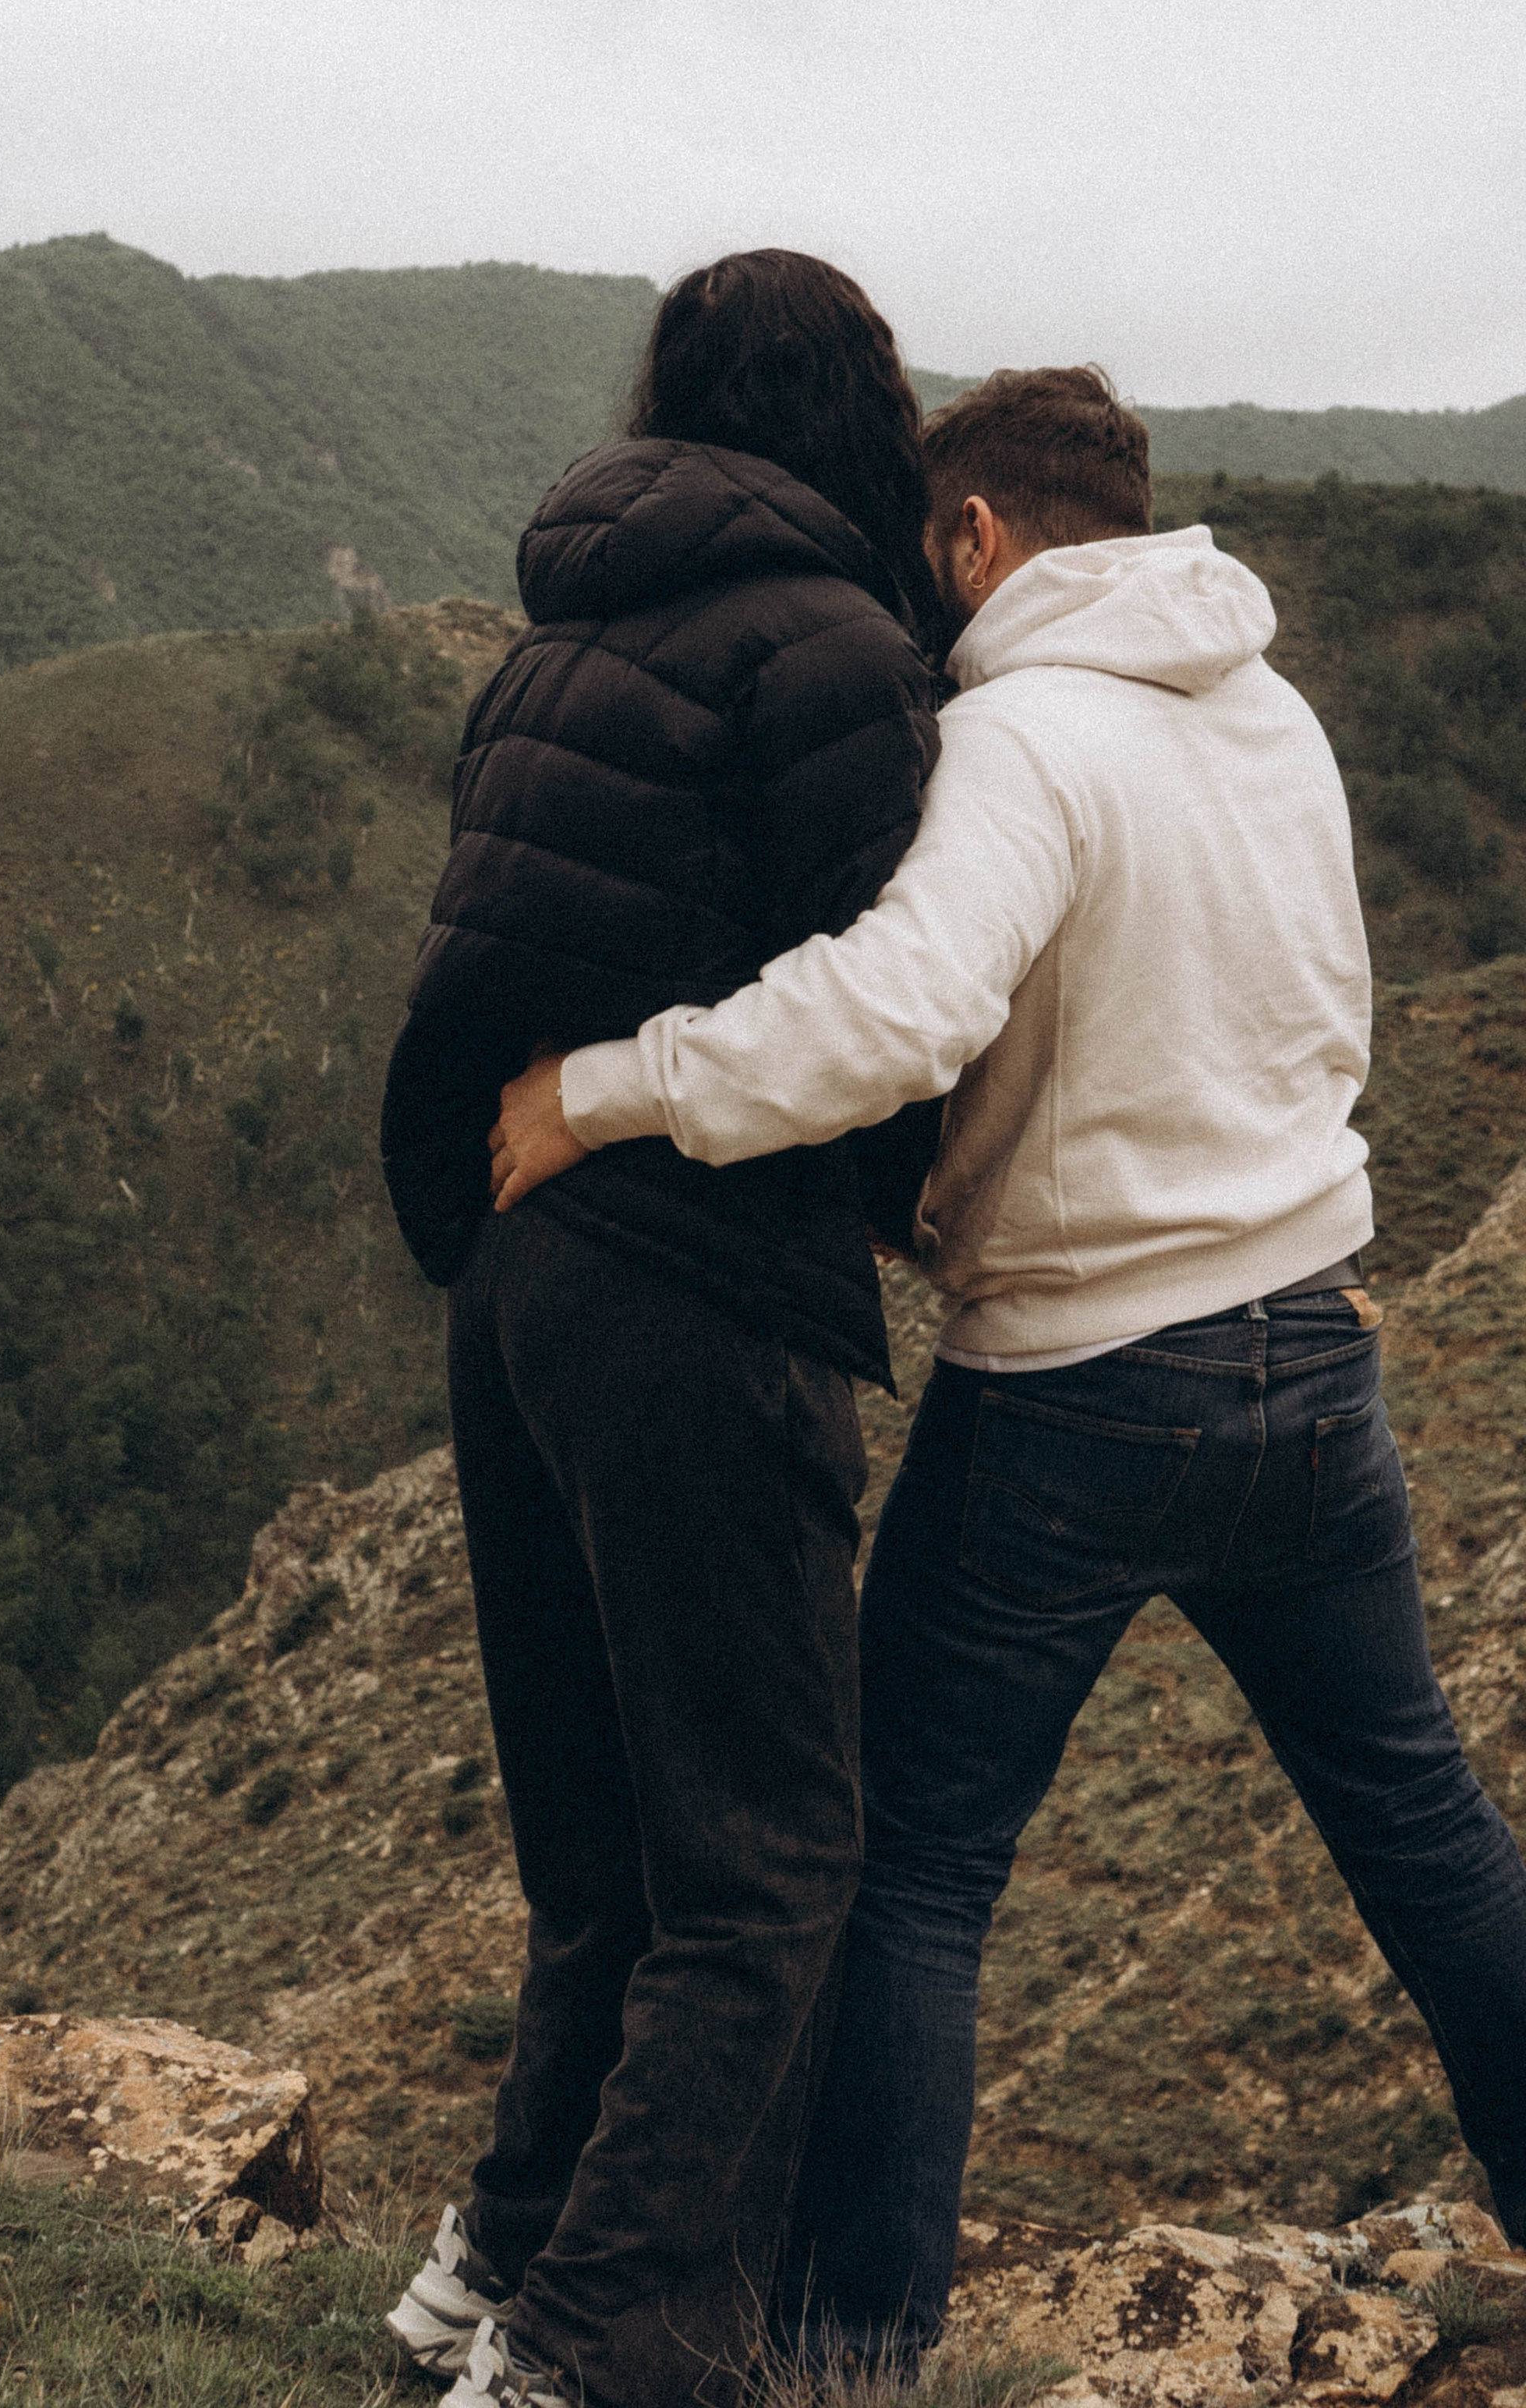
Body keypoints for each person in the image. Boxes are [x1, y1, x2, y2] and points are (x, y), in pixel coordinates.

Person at [488, 365, 1526, 2371]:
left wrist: (611, 1090)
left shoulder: (1019, 735)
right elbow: (1300, 1016)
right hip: (1312, 1357)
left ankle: (853, 2349)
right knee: (1417, 1822)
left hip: (1075, 1390)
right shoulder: (1273, 713)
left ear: (970, 538)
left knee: (908, 1868)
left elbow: (891, 1010)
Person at [378, 250, 948, 2408]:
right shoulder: (833, 650)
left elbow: (480, 958)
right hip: (702, 1281)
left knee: (601, 1854)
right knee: (770, 1859)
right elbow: (877, 1006)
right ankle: (590, 2355)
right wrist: (903, 1228)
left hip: (518, 1264)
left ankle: (488, 2265)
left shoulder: (558, 635)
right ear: (862, 413)